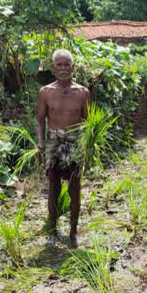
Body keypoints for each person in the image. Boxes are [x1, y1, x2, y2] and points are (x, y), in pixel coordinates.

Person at [36, 49, 90, 247]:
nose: (63, 68)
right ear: (53, 67)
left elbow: (88, 123)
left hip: (75, 143)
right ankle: (52, 230)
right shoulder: (46, 92)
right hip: (54, 142)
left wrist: (87, 148)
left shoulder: (83, 93)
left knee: (75, 189)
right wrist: (40, 142)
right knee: (53, 188)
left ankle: (73, 232)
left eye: (67, 64)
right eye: (59, 64)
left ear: (72, 67)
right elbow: (40, 120)